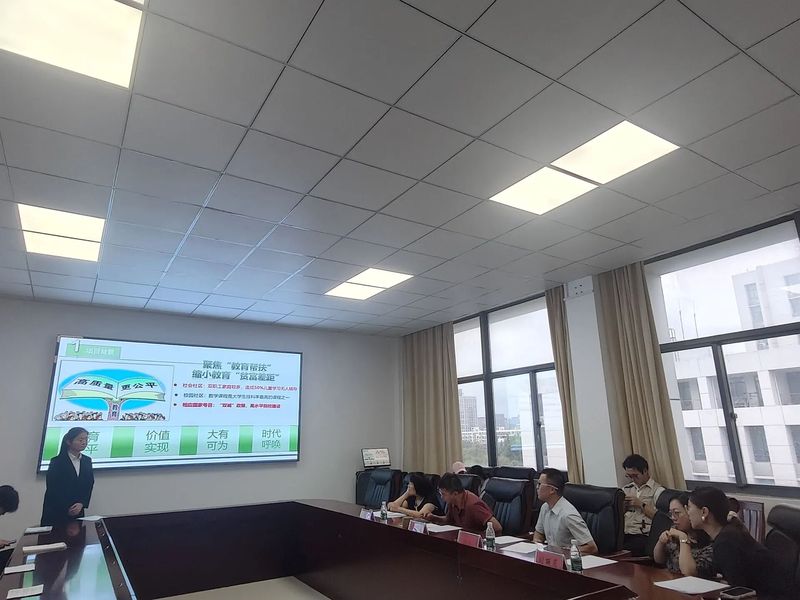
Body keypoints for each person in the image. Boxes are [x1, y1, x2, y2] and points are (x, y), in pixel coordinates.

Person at [688, 486, 797, 599]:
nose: (688, 513)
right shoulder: (729, 532)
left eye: (689, 507)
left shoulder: (726, 542)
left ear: (704, 512)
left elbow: (738, 591)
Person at [533, 468, 597, 554]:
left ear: (552, 490)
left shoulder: (568, 514)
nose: (537, 487)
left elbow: (591, 548)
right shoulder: (545, 507)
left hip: (569, 558)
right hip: (551, 557)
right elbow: (538, 533)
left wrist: (565, 551)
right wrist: (538, 544)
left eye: (540, 484)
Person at [41, 427, 95, 526]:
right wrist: (67, 507)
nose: (84, 442)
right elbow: (53, 487)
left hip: (78, 510)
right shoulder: (57, 461)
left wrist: (81, 503)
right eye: (80, 440)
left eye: (86, 439)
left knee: (78, 535)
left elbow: (89, 483)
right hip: (57, 510)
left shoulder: (87, 460)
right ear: (69, 442)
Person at [653, 493, 714, 577]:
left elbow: (689, 573)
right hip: (670, 579)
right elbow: (659, 560)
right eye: (671, 513)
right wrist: (661, 542)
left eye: (677, 513)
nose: (673, 518)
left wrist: (683, 539)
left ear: (690, 512)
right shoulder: (675, 529)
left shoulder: (710, 540)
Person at [423, 472, 503, 534]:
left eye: (443, 494)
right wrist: (434, 517)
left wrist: (480, 538)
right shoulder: (452, 502)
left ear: (455, 493)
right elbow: (448, 520)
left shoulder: (473, 505)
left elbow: (497, 527)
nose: (441, 497)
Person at [621, 454, 665, 556]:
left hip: (642, 535)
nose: (633, 479)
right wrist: (622, 507)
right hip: (624, 532)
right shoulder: (625, 489)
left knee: (628, 548)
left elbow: (660, 518)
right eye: (629, 476)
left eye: (635, 475)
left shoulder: (658, 491)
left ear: (645, 471)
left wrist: (640, 504)